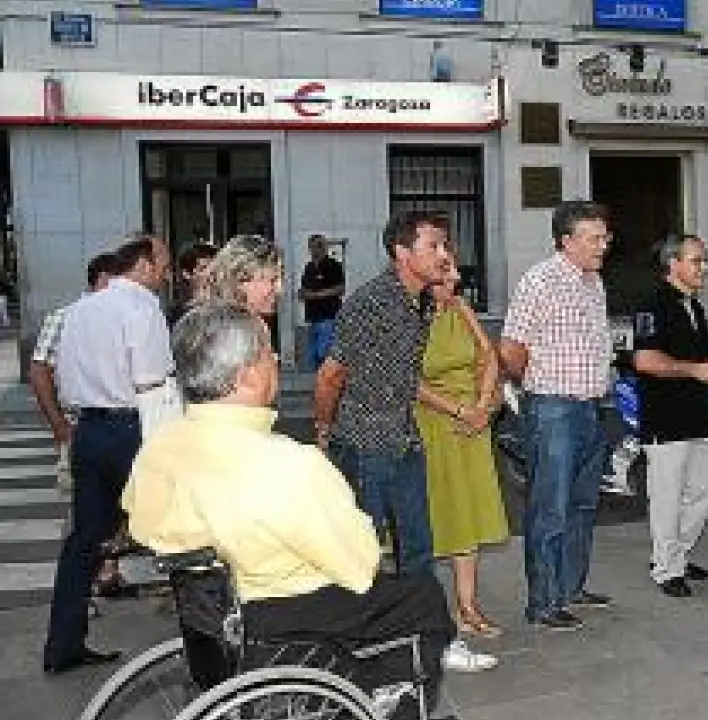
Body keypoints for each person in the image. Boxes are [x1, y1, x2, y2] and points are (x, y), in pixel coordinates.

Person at [121, 303, 456, 720]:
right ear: (247, 376)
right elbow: (360, 567)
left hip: (213, 615)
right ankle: (391, 704)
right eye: (267, 351)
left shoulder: (159, 448)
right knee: (422, 597)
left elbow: (141, 524)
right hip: (288, 617)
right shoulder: (290, 465)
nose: (276, 359)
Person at [314, 210, 494, 671]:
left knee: (418, 551)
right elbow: (331, 374)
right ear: (401, 252)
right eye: (434, 246)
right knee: (364, 553)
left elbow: (408, 372)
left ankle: (431, 643)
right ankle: (359, 650)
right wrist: (324, 431)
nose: (445, 255)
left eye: (446, 245)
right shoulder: (372, 302)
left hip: (405, 440)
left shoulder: (422, 302)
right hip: (366, 444)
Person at [43, 233, 172, 674]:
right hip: (129, 428)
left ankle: (63, 644)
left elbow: (61, 374)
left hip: (89, 430)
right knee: (177, 531)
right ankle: (205, 645)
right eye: (162, 265)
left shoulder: (79, 309)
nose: (165, 274)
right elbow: (152, 383)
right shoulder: (142, 308)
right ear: (143, 264)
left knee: (84, 541)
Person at [499, 200, 615, 632]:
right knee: (550, 508)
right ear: (566, 241)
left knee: (583, 504)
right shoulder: (540, 280)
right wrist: (535, 390)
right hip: (553, 410)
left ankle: (570, 587)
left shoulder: (593, 282)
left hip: (590, 408)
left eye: (605, 237)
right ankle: (543, 601)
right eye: (594, 238)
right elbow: (511, 347)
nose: (603, 245)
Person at [413, 248, 509, 640]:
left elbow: (489, 355)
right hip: (434, 423)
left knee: (468, 513)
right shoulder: (409, 319)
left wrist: (484, 405)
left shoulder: (459, 309)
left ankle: (467, 606)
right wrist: (458, 410)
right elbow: (409, 381)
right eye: (446, 272)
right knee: (439, 510)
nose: (455, 278)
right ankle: (422, 608)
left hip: (473, 423)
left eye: (454, 271)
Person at [632, 234, 708, 598]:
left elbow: (696, 361)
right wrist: (695, 370)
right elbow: (645, 360)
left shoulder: (696, 308)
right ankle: (666, 568)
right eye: (696, 260)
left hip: (697, 416)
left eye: (704, 260)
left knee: (702, 492)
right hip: (665, 418)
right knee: (667, 497)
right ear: (673, 264)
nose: (704, 267)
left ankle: (677, 554)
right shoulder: (651, 304)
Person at [30, 253, 123, 599]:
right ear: (102, 280)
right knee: (82, 511)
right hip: (80, 423)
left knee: (116, 502)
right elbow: (39, 369)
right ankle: (82, 583)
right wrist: (58, 423)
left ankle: (106, 567)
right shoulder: (66, 316)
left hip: (117, 425)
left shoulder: (121, 317)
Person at [203, 235, 284, 319]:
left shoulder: (213, 317)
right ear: (241, 278)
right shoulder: (228, 324)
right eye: (272, 280)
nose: (279, 289)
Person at [299, 234, 345, 371]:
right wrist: (302, 294)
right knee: (313, 357)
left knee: (324, 353)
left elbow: (340, 288)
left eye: (321, 245)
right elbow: (304, 289)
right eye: (315, 246)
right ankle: (317, 381)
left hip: (328, 316)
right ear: (310, 248)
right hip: (312, 317)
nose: (318, 248)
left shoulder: (333, 265)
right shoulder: (309, 267)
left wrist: (317, 295)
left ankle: (327, 380)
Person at [169, 243, 217, 325]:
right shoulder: (176, 316)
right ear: (187, 274)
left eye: (214, 268)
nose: (210, 273)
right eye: (203, 268)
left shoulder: (226, 308)